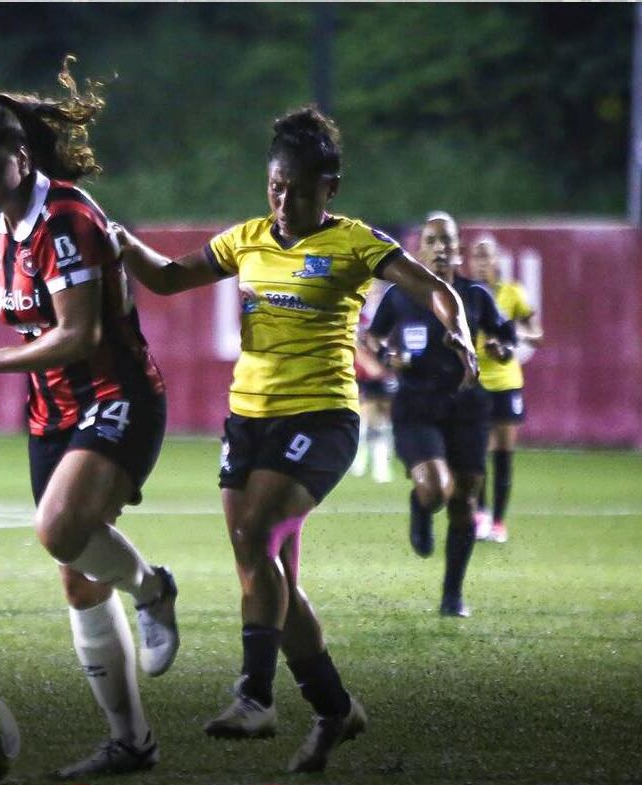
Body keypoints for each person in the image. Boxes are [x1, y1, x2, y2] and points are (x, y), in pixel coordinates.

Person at [113, 107, 477, 773]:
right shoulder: (247, 239)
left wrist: (458, 330)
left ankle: (254, 697)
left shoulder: (355, 243)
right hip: (247, 419)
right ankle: (334, 707)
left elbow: (432, 289)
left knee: (256, 536)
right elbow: (166, 277)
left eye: (299, 191)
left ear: (328, 188)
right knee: (262, 565)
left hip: (321, 418)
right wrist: (120, 242)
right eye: (275, 187)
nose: (282, 202)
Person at [0, 58, 178, 779]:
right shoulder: (4, 220)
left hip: (117, 397)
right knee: (77, 577)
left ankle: (153, 588)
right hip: (53, 413)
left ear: (20, 160)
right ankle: (131, 743)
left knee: (57, 529)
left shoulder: (65, 218)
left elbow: (81, 336)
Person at [365, 213, 516, 618]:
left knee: (464, 500)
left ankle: (452, 595)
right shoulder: (401, 295)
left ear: (458, 247)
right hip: (416, 405)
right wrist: (387, 356)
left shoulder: (476, 295)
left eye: (447, 240)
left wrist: (500, 349)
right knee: (436, 489)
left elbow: (506, 338)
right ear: (419, 250)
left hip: (466, 406)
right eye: (432, 241)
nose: (440, 248)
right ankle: (421, 504)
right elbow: (372, 337)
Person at [469, 236, 543, 544]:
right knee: (475, 452)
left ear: (497, 261)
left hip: (506, 381)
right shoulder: (466, 294)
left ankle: (499, 522)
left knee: (503, 453)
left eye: (487, 256)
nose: (482, 262)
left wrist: (510, 336)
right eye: (477, 257)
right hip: (474, 381)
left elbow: (537, 334)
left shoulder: (512, 292)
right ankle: (480, 515)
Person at [350, 289, 398, 483]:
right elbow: (356, 344)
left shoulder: (389, 313)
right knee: (363, 416)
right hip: (363, 373)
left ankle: (380, 465)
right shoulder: (358, 317)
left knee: (383, 419)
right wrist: (371, 366)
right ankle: (358, 461)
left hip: (385, 371)